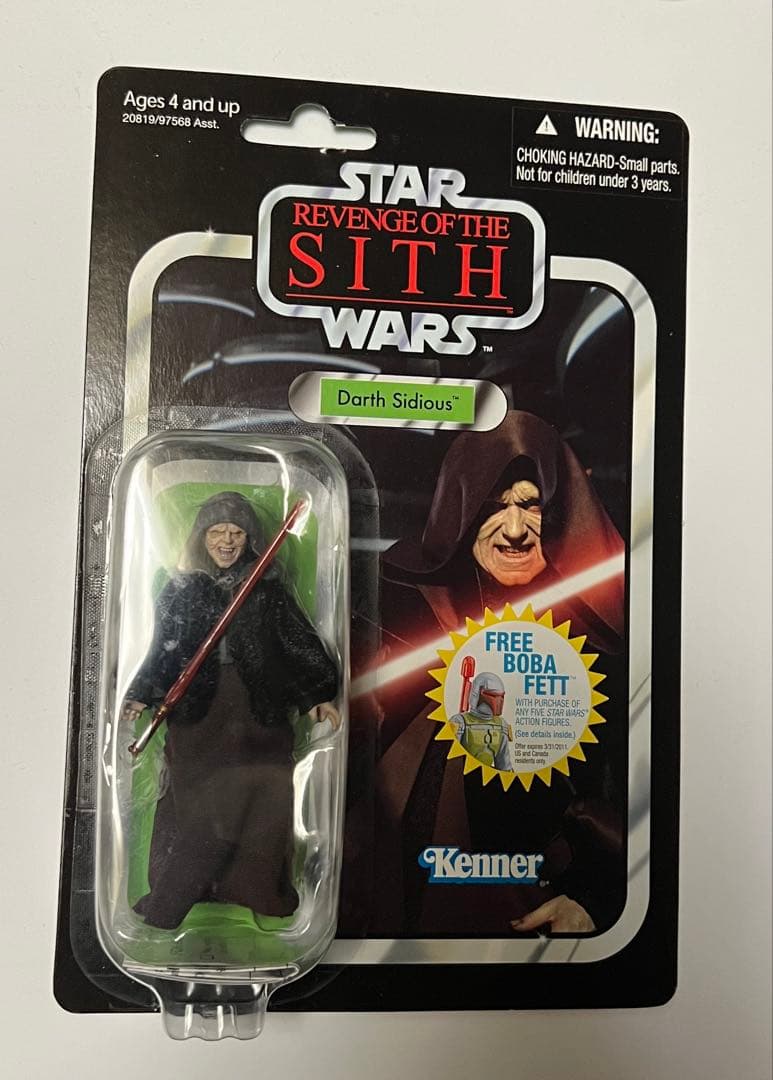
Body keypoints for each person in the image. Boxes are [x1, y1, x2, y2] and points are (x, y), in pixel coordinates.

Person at [371, 411, 626, 937]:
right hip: (408, 898)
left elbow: (644, 781)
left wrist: (596, 897)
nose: (513, 530)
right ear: (462, 510)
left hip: (547, 905)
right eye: (493, 505)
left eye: (531, 505)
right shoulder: (402, 603)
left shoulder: (609, 621)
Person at [122, 491, 339, 930]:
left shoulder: (266, 590)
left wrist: (316, 692)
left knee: (264, 796)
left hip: (256, 708)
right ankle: (180, 891)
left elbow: (294, 641)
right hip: (197, 710)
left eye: (236, 532)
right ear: (202, 537)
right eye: (217, 532)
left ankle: (255, 886)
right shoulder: (182, 590)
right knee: (192, 797)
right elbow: (160, 646)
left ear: (250, 538)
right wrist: (141, 690)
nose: (226, 541)